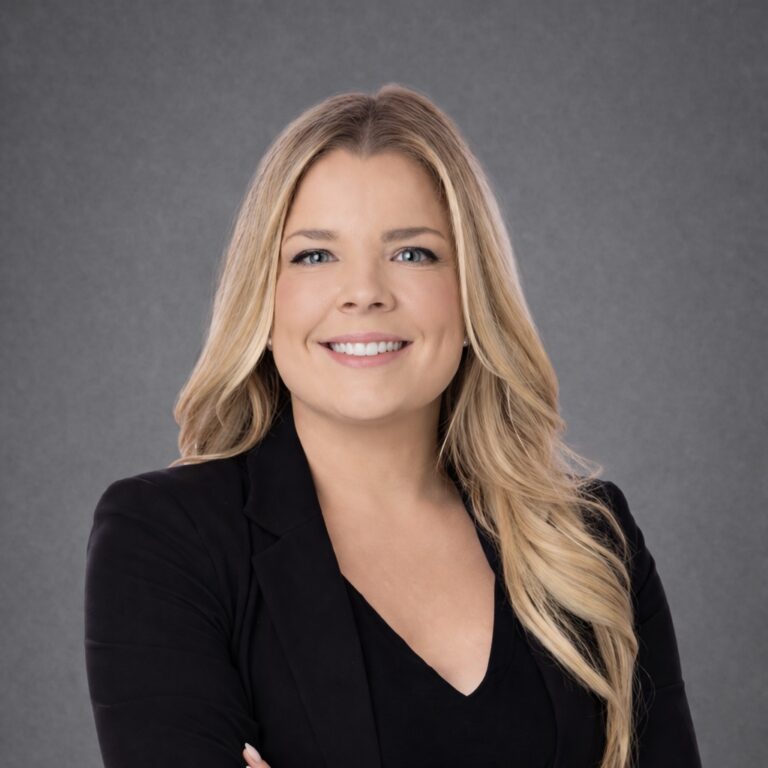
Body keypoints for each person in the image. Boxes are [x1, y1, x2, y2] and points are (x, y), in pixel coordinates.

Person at [84, 84, 702, 768]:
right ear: (264, 298)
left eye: (412, 254)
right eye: (315, 255)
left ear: (471, 296)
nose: (365, 292)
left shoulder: (589, 542)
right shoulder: (167, 540)